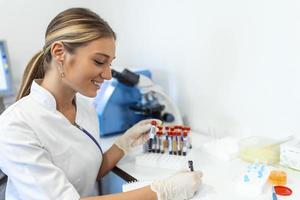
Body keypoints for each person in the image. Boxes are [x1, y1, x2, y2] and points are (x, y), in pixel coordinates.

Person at [0, 7, 202, 200]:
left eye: (110, 64)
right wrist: (161, 192)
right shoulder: (15, 125)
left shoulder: (85, 107)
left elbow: (89, 173)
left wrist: (124, 144)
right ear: (59, 52)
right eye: (99, 61)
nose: (107, 75)